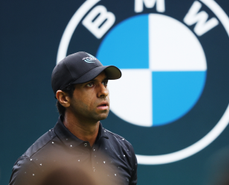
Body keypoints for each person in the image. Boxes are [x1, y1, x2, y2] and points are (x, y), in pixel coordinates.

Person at [9, 51, 138, 185]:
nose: (104, 92)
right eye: (90, 84)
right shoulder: (33, 164)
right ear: (64, 98)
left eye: (104, 82)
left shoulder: (124, 150)